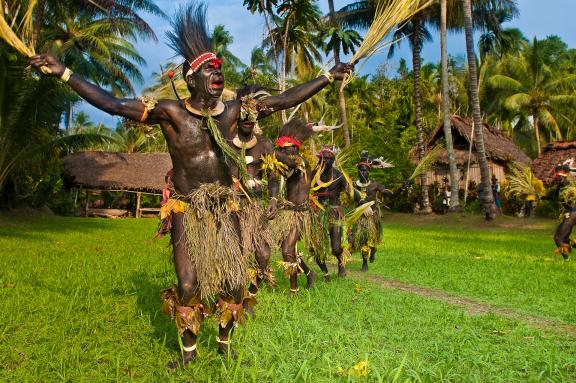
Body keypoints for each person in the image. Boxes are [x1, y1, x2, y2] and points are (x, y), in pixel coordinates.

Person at [29, 1, 353, 367]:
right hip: (186, 205)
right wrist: (64, 73)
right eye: (210, 69)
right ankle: (188, 356)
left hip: (224, 204)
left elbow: (281, 100)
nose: (218, 73)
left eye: (220, 68)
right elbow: (114, 104)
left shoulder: (233, 112)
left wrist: (327, 77)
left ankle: (225, 346)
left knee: (234, 282)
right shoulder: (170, 112)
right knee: (187, 283)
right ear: (191, 77)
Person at [351, 152, 409, 272]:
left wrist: (402, 188)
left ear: (369, 171)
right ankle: (364, 262)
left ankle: (373, 250)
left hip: (372, 216)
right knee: (362, 239)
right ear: (357, 171)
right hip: (359, 217)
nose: (362, 173)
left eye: (365, 170)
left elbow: (391, 195)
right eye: (360, 170)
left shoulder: (374, 185)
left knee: (372, 239)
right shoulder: (353, 185)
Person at [309, 145, 351, 281]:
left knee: (335, 247)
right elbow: (303, 188)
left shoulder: (339, 175)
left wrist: (360, 200)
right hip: (316, 213)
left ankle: (341, 264)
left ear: (332, 160)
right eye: (321, 159)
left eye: (326, 159)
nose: (323, 161)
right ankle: (325, 273)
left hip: (333, 213)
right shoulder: (314, 174)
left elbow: (350, 191)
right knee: (315, 247)